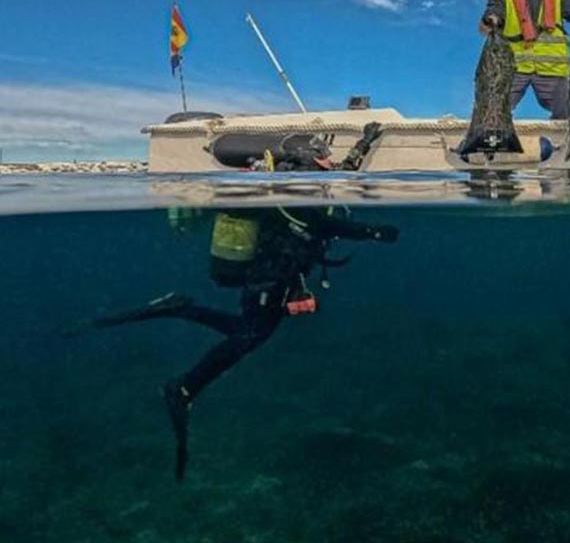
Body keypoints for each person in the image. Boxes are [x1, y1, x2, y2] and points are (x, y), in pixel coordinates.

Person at [63, 206, 398, 481]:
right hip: (267, 285)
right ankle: (183, 388)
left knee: (245, 331)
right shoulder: (297, 210)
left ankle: (178, 309)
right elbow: (329, 224)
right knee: (248, 336)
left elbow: (326, 227)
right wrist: (375, 232)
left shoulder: (293, 212)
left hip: (266, 285)